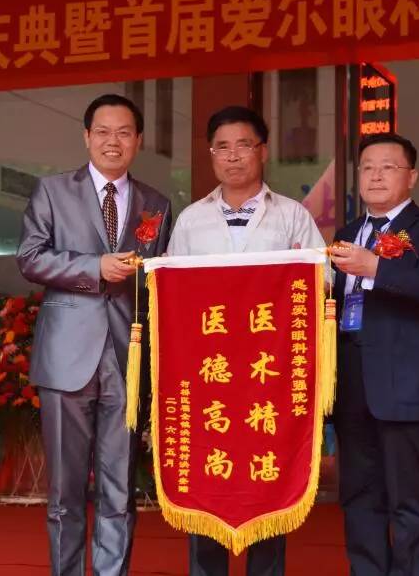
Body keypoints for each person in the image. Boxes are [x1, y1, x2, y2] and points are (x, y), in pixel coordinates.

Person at [17, 94, 171, 576]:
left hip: (128, 357)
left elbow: (160, 281)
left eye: (124, 132)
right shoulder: (52, 191)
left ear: (138, 140)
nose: (113, 141)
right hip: (67, 357)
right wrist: (93, 267)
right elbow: (30, 258)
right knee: (64, 492)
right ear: (86, 137)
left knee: (118, 489)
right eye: (103, 132)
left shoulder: (156, 204)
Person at [167, 105, 325, 576]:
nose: (233, 156)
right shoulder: (191, 219)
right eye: (222, 147)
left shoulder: (293, 216)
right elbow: (171, 295)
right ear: (211, 154)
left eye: (243, 145)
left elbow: (323, 283)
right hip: (208, 377)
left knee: (267, 480)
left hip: (267, 378)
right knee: (207, 480)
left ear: (263, 151)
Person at [329, 132, 419, 576]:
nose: (376, 176)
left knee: (407, 499)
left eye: (388, 167)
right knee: (358, 496)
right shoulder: (347, 233)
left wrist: (375, 267)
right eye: (367, 167)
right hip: (351, 382)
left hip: (403, 386)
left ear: (412, 177)